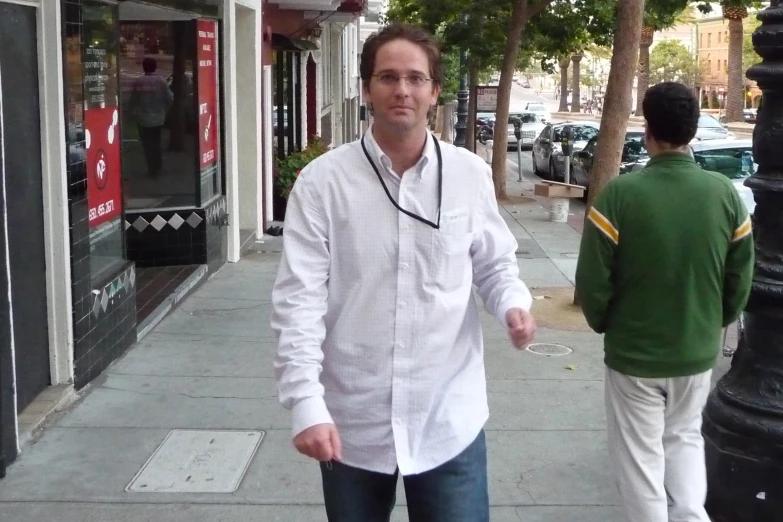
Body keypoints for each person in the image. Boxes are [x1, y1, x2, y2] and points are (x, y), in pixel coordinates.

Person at [271, 23, 536, 522]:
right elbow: (297, 300)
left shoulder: (467, 174)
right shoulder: (323, 182)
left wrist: (512, 304)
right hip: (351, 424)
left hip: (447, 421)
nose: (402, 89)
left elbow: (494, 262)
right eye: (388, 77)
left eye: (416, 78)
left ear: (434, 91)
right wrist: (305, 401)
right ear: (366, 89)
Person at [574, 81, 754, 522]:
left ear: (647, 130)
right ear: (692, 131)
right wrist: (713, 320)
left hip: (634, 355)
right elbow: (740, 278)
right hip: (695, 352)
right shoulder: (726, 196)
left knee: (640, 463)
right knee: (685, 439)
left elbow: (593, 283)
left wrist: (607, 325)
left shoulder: (619, 195)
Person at [129, 57, 173, 177]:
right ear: (155, 67)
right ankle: (157, 166)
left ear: (144, 67)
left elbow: (133, 100)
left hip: (143, 119)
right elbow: (169, 98)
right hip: (158, 118)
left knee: (147, 144)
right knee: (156, 143)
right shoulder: (161, 81)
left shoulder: (138, 82)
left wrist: (132, 113)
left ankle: (151, 167)